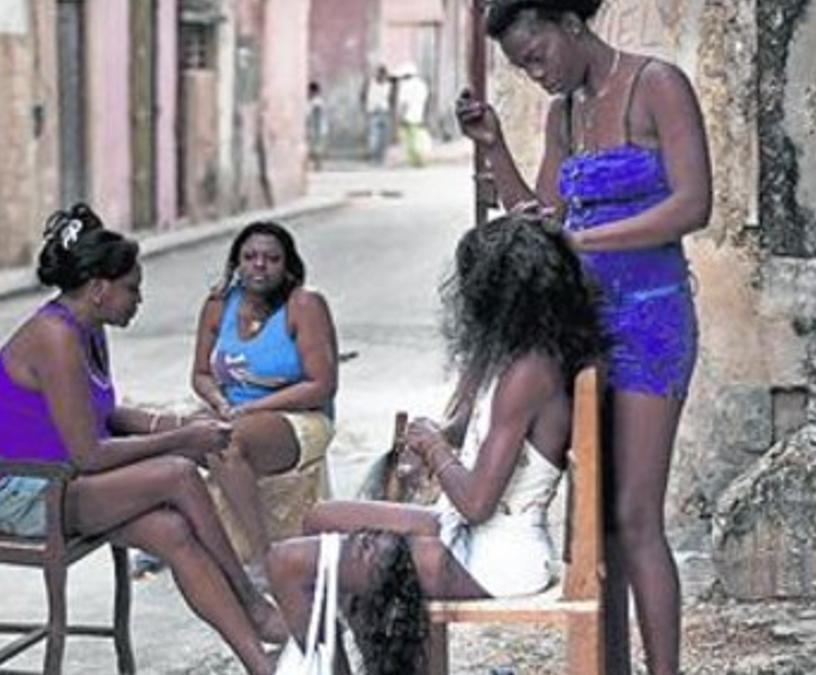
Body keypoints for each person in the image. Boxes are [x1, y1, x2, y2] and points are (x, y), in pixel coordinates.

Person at [455, 2, 711, 672]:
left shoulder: (658, 85)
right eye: (519, 65)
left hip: (652, 322)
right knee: (594, 529)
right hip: (582, 332)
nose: (534, 72)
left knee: (635, 515)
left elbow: (693, 204)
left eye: (536, 54)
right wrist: (494, 146)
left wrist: (585, 238)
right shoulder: (561, 113)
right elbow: (540, 224)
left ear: (569, 22)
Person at [267, 213, 606, 675]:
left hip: (496, 558)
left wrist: (434, 449)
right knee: (319, 518)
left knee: (286, 563)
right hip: (475, 537)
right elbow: (480, 436)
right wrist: (443, 435)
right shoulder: (522, 353)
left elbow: (477, 503)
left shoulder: (529, 372)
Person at [0, 204, 287, 675]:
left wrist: (178, 427)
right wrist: (181, 442)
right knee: (179, 476)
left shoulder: (87, 328)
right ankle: (251, 600)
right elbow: (90, 452)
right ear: (99, 289)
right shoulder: (55, 337)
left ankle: (259, 664)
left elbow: (106, 414)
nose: (138, 300)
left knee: (173, 533)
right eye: (131, 289)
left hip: (64, 481)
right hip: (21, 493)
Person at [190, 221, 338, 587]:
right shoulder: (218, 305)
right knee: (170, 435)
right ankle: (186, 543)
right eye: (250, 257)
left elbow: (322, 385)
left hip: (299, 418)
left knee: (227, 441)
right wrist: (219, 401)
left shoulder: (303, 305)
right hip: (233, 413)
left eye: (271, 258)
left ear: (287, 266)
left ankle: (263, 558)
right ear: (236, 263)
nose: (259, 265)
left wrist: (251, 410)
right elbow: (200, 374)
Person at [394, 63, 430, 167]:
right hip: (419, 115)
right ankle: (419, 159)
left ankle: (414, 160)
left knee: (409, 139)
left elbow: (403, 103)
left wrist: (399, 116)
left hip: (407, 116)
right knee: (417, 138)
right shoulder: (422, 85)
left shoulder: (406, 86)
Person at [363, 65, 393, 164]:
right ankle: (374, 157)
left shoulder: (388, 85)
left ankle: (382, 158)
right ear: (378, 74)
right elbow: (365, 96)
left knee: (383, 137)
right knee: (374, 136)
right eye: (381, 75)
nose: (383, 77)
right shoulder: (371, 84)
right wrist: (368, 109)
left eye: (385, 76)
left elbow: (390, 98)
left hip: (384, 111)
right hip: (374, 112)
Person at [306, 81, 331, 171]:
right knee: (316, 148)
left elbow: (317, 117)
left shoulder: (317, 102)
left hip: (317, 129)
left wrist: (315, 130)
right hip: (316, 129)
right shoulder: (312, 101)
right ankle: (317, 165)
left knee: (317, 148)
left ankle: (318, 165)